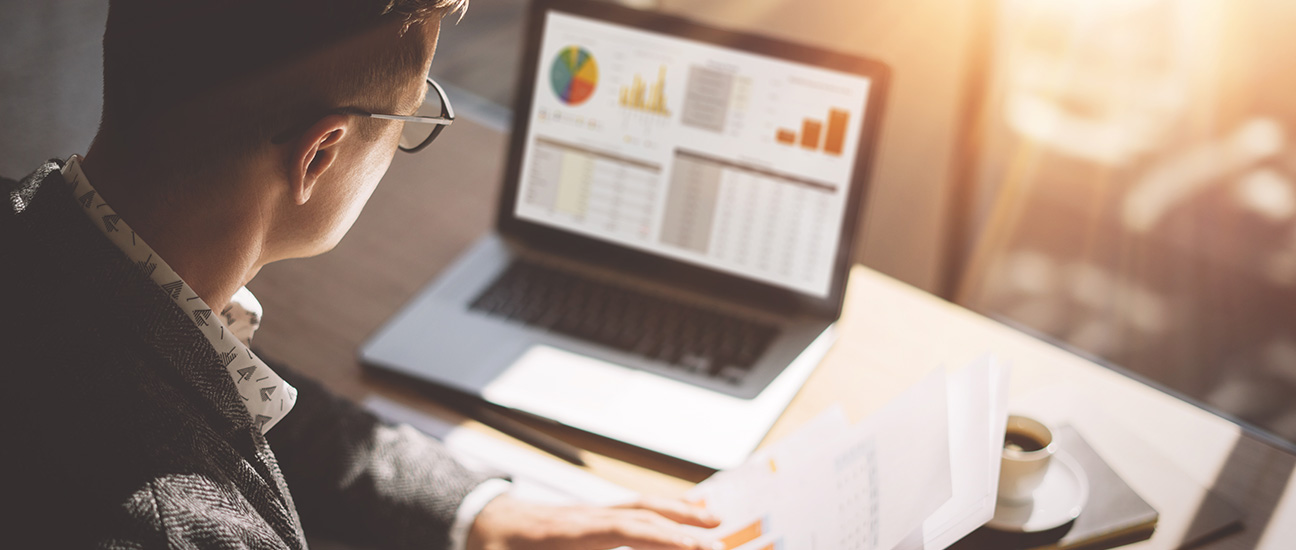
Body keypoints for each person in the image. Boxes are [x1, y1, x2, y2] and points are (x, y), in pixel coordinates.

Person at [0, 1, 723, 548]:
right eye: (412, 117)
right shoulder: (181, 527)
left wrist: (480, 515)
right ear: (319, 157)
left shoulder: (37, 240)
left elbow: (217, 396)